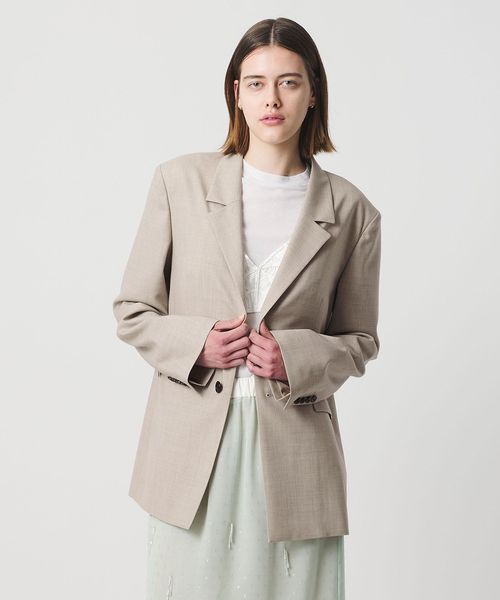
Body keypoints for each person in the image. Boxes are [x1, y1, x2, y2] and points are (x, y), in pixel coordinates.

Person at [112, 16, 381, 600]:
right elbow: (133, 309)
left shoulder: (353, 212)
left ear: (314, 92)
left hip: (297, 455)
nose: (271, 99)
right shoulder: (179, 183)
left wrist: (295, 357)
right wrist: (198, 343)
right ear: (236, 93)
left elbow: (360, 340)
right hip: (188, 451)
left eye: (289, 82)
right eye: (256, 83)